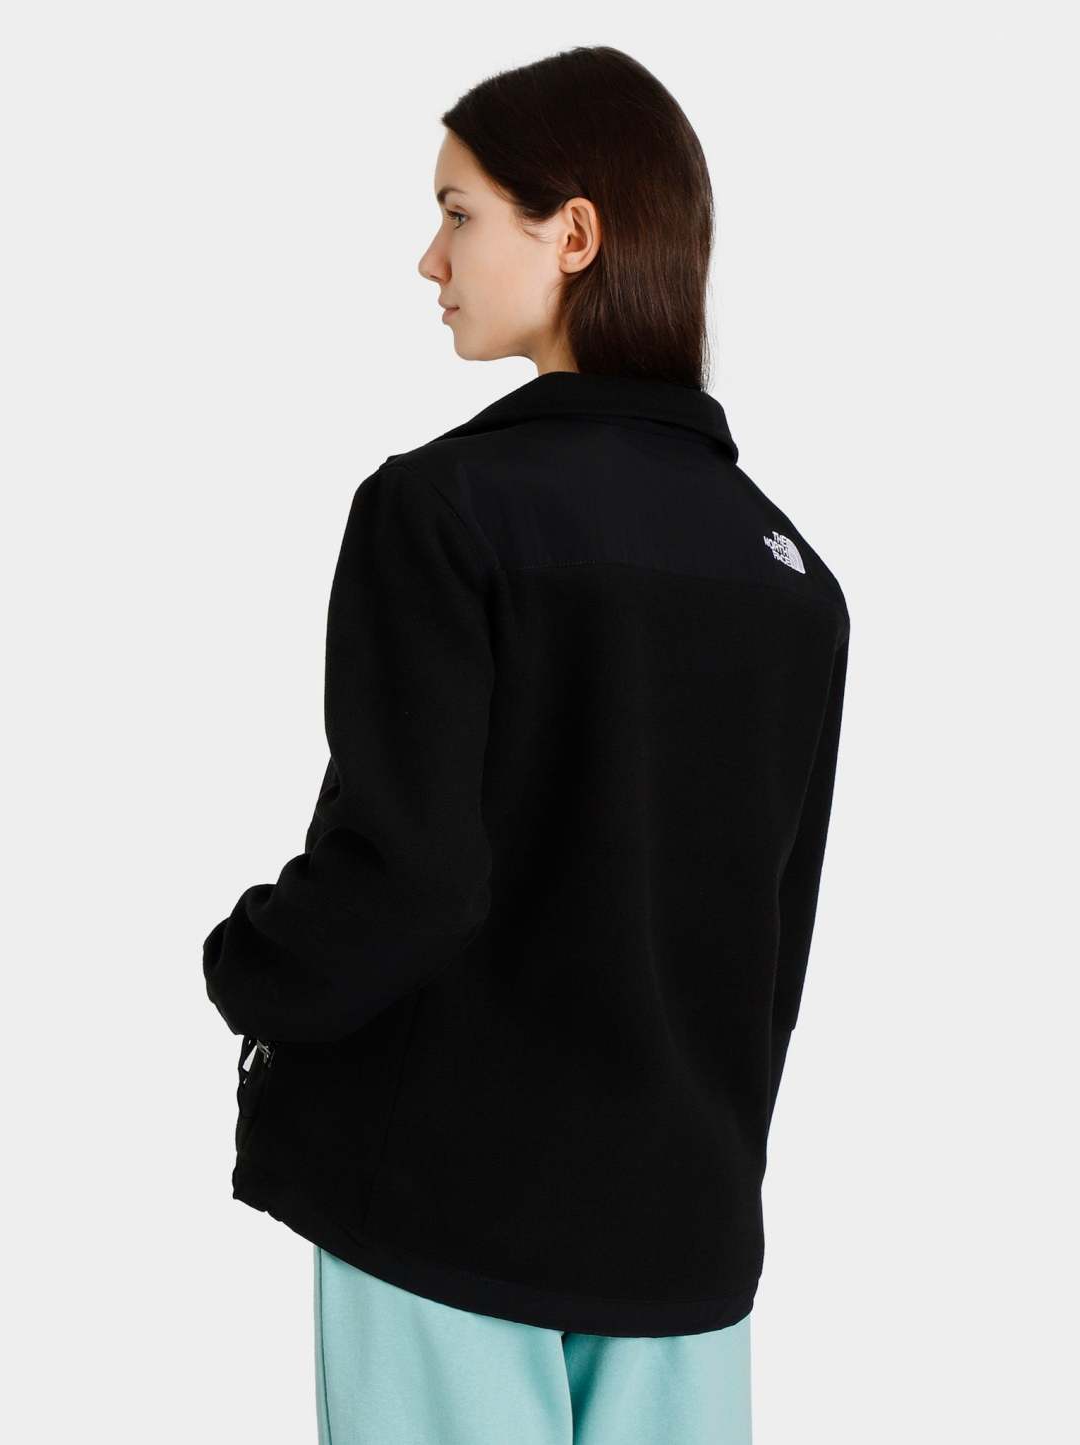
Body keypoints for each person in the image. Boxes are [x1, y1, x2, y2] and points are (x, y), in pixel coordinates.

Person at [203, 44, 850, 1445]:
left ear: (575, 233)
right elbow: (770, 955)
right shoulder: (794, 574)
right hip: (681, 1235)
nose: (428, 259)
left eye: (458, 212)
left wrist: (247, 964)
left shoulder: (442, 511)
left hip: (446, 1209)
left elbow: (408, 876)